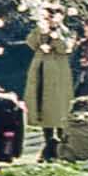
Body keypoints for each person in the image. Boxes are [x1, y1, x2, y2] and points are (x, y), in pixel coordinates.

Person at [24, 24, 73, 160]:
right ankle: (48, 145)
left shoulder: (65, 31)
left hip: (57, 74)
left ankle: (61, 148)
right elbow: (31, 42)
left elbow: (65, 48)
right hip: (40, 73)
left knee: (59, 111)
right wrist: (40, 32)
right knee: (43, 110)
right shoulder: (40, 30)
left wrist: (55, 36)